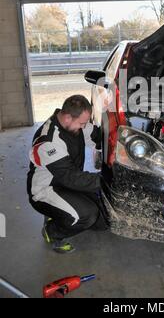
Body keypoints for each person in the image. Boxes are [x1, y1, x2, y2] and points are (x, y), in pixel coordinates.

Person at [27, 95, 109, 254]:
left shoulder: (74, 124)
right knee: (87, 216)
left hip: (68, 183)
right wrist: (107, 180)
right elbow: (70, 177)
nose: (84, 127)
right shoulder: (49, 140)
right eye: (81, 123)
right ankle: (52, 231)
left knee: (103, 221)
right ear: (67, 117)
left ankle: (61, 212)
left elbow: (98, 135)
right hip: (46, 189)